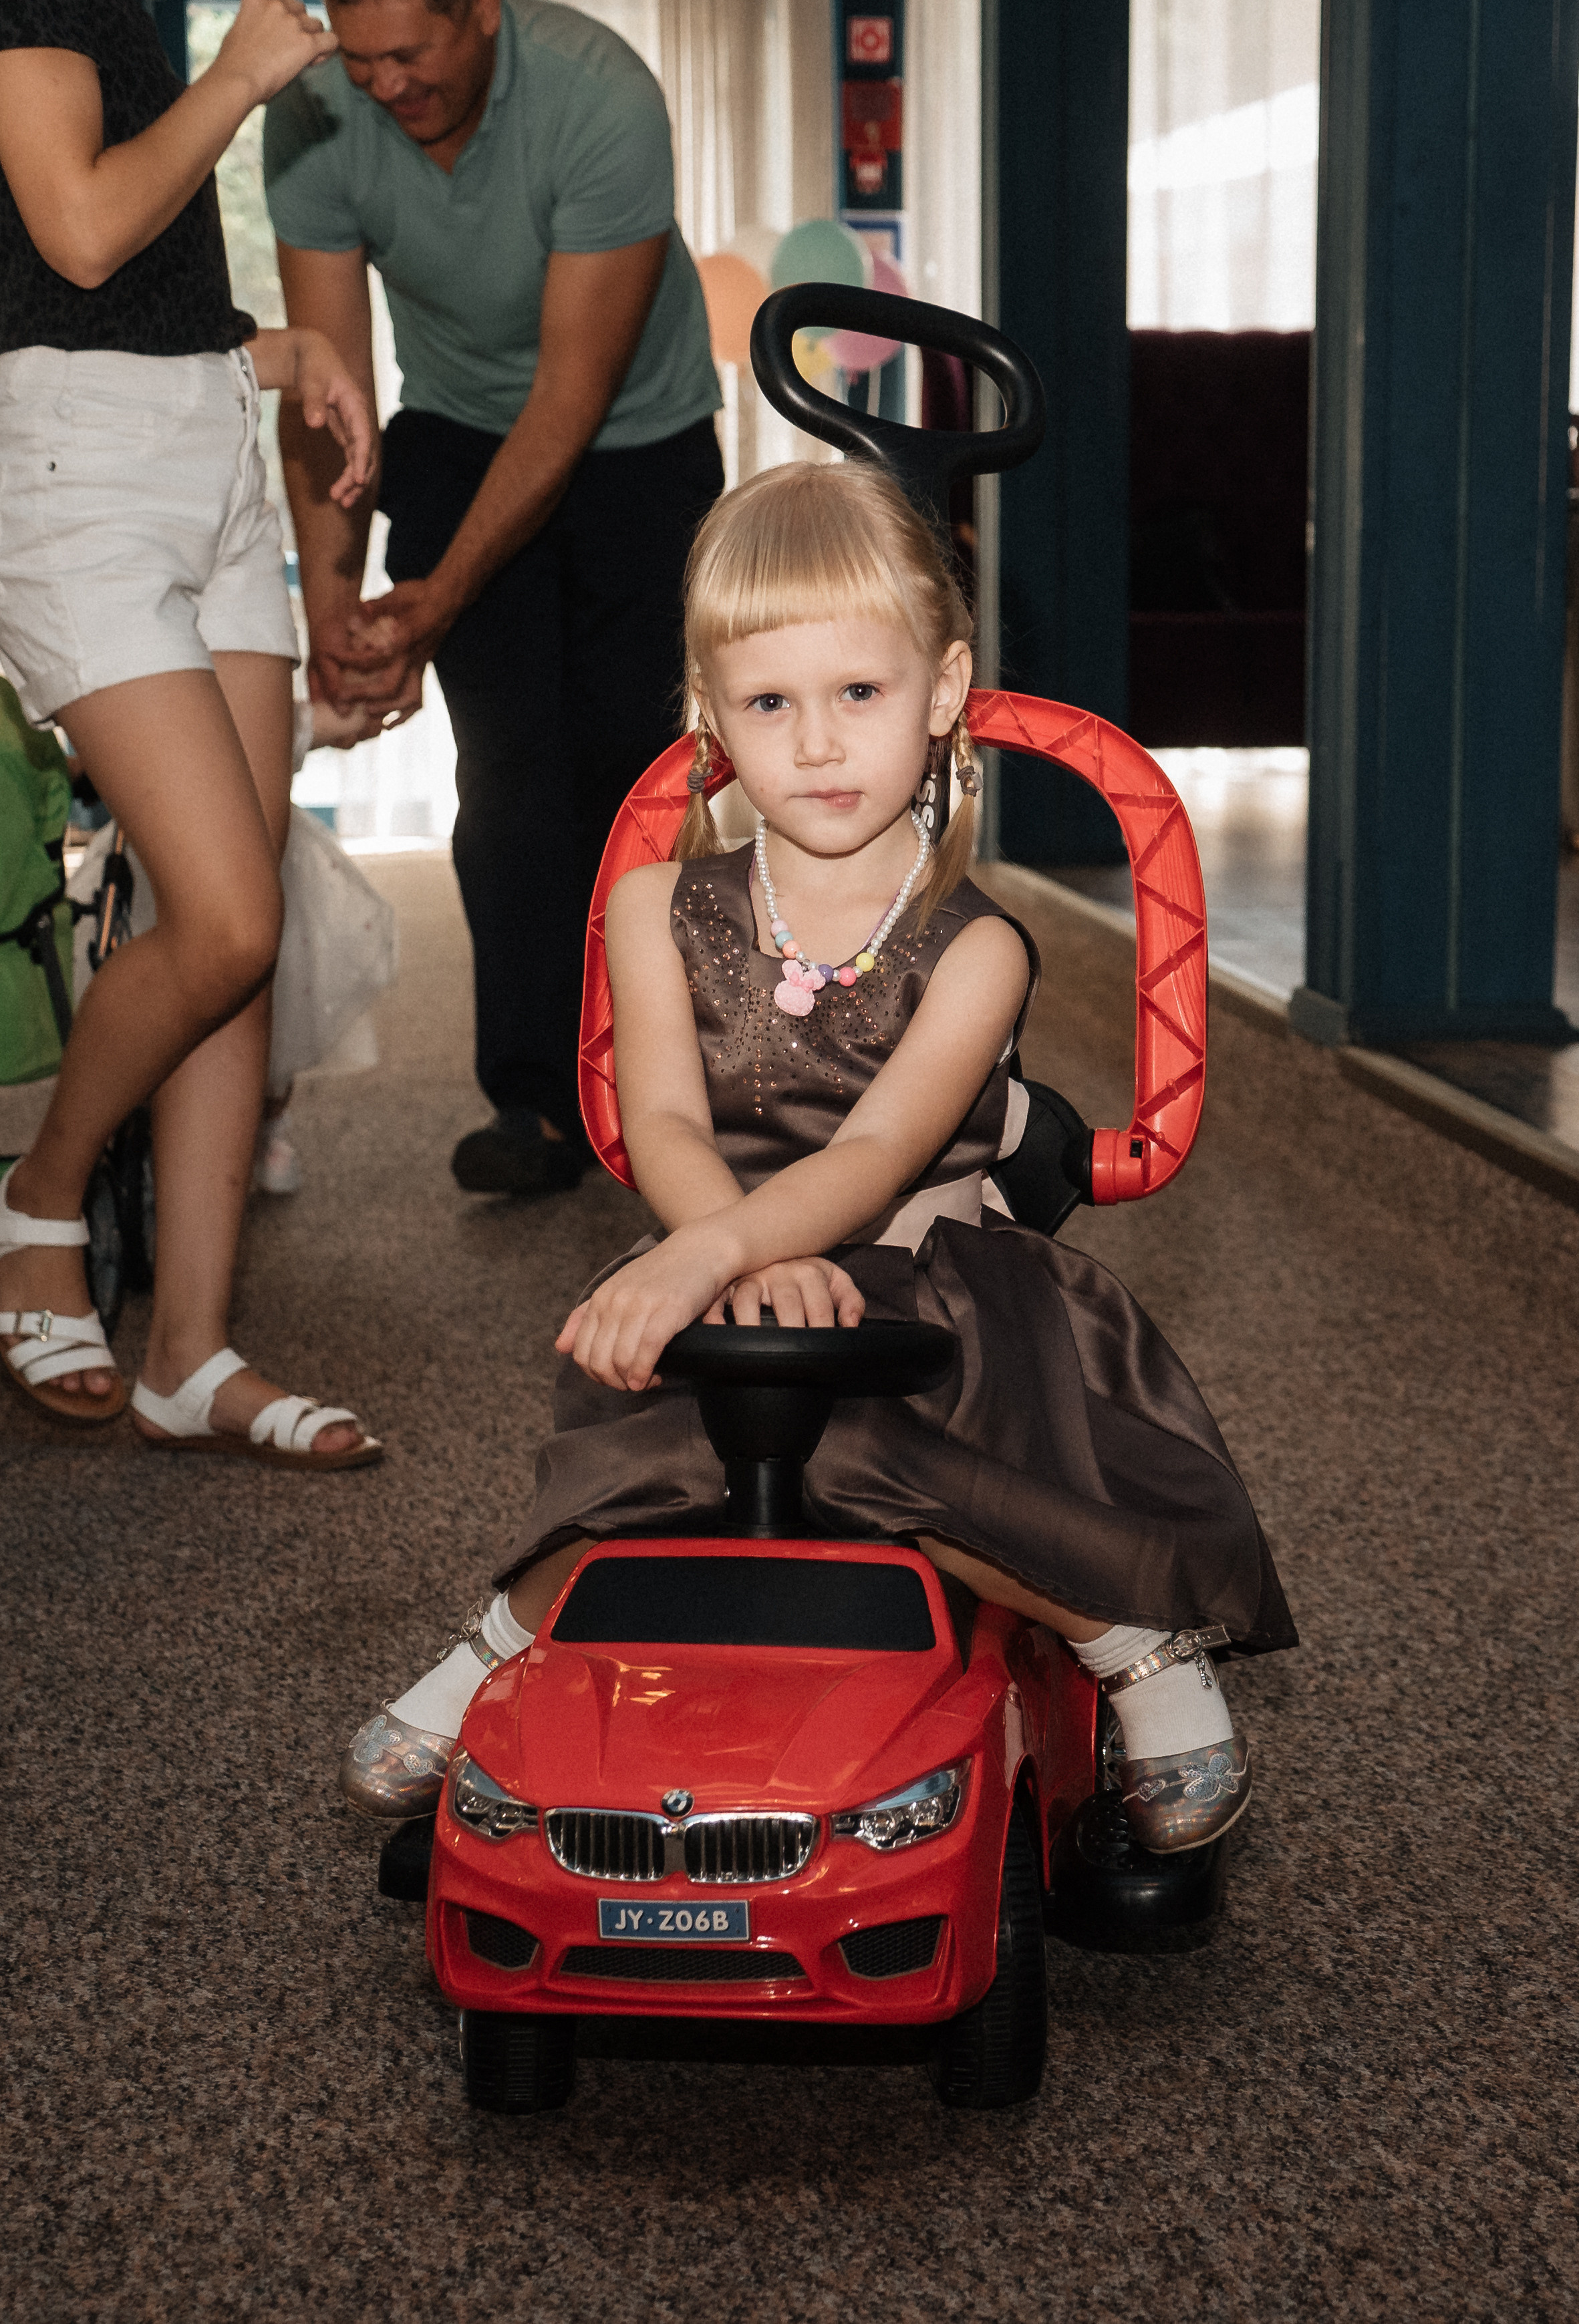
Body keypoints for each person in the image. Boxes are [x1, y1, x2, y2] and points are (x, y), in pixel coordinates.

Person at [339, 460, 1296, 1853]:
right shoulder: (656, 906)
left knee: (865, 1445)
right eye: (770, 703)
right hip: (717, 1239)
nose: (820, 743)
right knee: (655, 1444)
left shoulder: (980, 948)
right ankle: (507, 1637)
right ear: (710, 714)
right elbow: (663, 1121)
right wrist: (719, 1255)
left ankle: (1131, 1639)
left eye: (861, 693)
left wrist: (725, 1254)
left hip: (933, 1277)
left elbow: (879, 1148)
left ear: (947, 687)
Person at [0, 0, 383, 1466]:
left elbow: (111, 284)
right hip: (78, 483)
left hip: (206, 451)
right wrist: (240, 80)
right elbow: (80, 235)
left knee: (238, 917)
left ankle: (190, 1351)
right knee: (224, 918)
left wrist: (276, 354)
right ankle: (39, 1200)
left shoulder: (117, 10)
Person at [263, 0, 724, 1201]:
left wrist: (443, 591)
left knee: (635, 775)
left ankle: (658, 1090)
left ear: (485, 1)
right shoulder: (314, 115)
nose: (385, 84)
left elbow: (572, 403)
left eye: (411, 54)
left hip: (636, 437)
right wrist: (333, 607)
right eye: (361, 60)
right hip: (460, 429)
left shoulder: (600, 98)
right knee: (513, 778)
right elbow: (327, 394)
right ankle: (537, 1101)